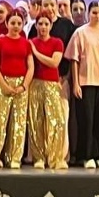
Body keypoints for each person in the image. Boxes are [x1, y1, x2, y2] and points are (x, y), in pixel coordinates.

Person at [66, 1, 99, 170]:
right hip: (86, 82)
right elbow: (74, 59)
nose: (97, 16)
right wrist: (76, 83)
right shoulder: (80, 32)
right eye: (94, 12)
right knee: (86, 120)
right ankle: (87, 155)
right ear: (89, 13)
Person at [0, 10, 33, 170]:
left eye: (19, 23)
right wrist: (4, 85)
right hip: (3, 82)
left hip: (21, 85)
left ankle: (14, 158)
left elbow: (30, 67)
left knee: (19, 123)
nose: (16, 26)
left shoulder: (26, 43)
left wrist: (23, 86)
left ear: (23, 24)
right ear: (7, 23)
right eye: (13, 23)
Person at [29, 13, 67, 170]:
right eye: (40, 24)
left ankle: (56, 157)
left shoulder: (57, 43)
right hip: (35, 84)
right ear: (36, 25)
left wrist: (36, 53)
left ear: (51, 26)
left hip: (52, 84)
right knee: (36, 121)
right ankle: (38, 157)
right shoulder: (31, 42)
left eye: (46, 24)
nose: (43, 27)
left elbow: (53, 63)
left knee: (57, 121)